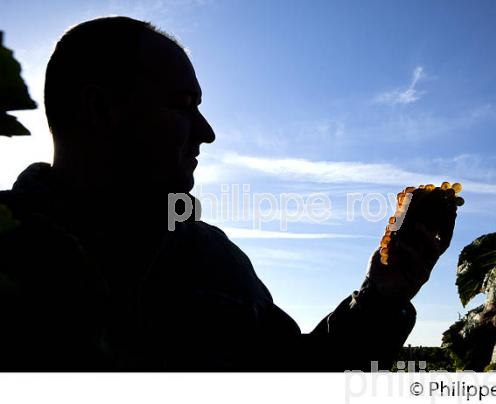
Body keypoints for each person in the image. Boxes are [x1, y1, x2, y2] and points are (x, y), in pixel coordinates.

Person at [0, 16, 456, 371]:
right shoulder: (13, 252)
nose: (208, 132)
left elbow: (299, 380)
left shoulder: (212, 258)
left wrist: (381, 299)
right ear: (100, 109)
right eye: (184, 106)